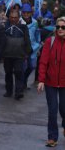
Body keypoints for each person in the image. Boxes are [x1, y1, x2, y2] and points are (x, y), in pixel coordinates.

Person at [38, 17, 65, 147]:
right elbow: (43, 62)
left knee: (64, 109)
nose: (60, 29)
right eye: (58, 27)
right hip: (50, 82)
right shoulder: (50, 41)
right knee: (52, 110)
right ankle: (52, 137)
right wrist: (41, 80)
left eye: (63, 27)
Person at [3, 10, 32, 100]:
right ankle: (9, 91)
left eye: (15, 17)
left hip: (19, 55)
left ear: (18, 18)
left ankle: (18, 91)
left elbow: (27, 40)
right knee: (8, 73)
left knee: (19, 72)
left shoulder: (23, 27)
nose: (13, 19)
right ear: (9, 18)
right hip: (7, 55)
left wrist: (28, 52)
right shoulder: (5, 27)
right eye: (11, 17)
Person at [20, 3, 41, 88]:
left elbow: (37, 35)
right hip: (22, 48)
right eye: (24, 12)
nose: (26, 14)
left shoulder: (35, 22)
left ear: (31, 13)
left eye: (28, 13)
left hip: (32, 48)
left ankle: (24, 79)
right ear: (22, 13)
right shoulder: (19, 21)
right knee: (23, 67)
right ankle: (21, 84)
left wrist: (38, 47)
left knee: (32, 66)